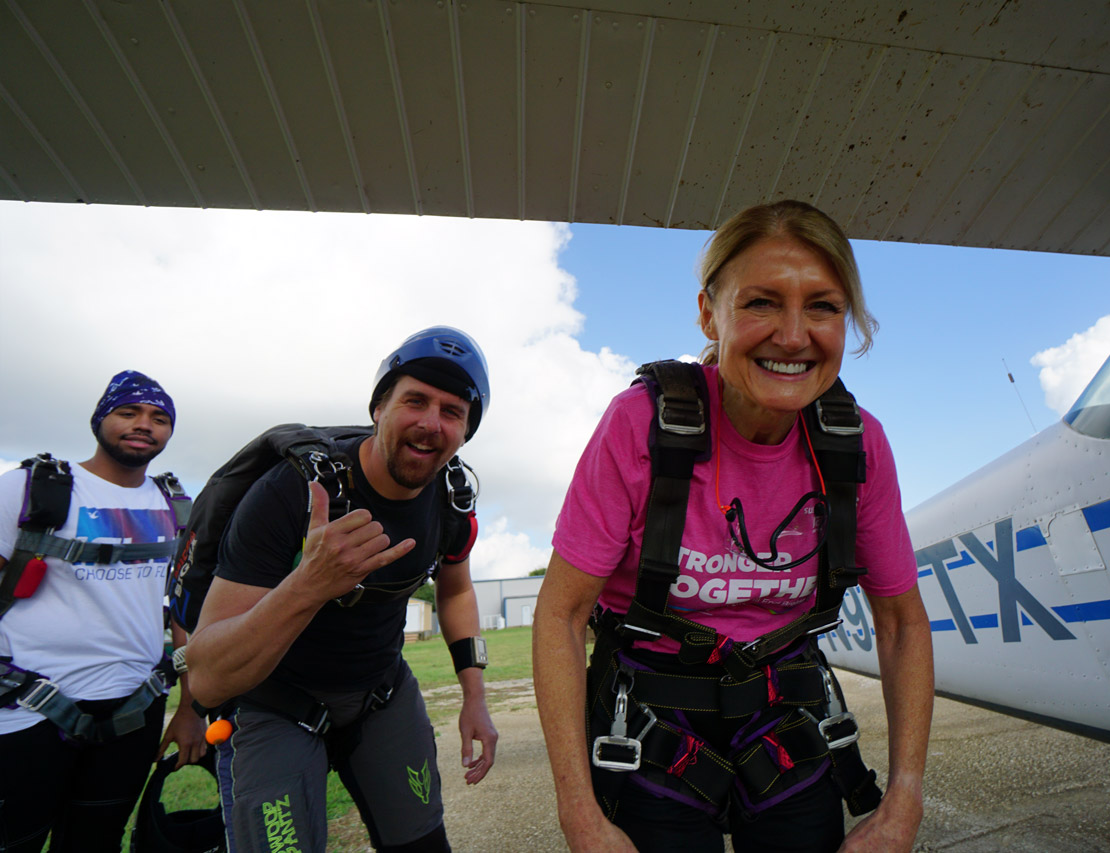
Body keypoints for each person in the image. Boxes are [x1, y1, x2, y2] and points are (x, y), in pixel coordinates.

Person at [533, 200, 934, 852]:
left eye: (823, 306)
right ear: (708, 314)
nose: (794, 335)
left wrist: (903, 801)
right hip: (654, 725)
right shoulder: (642, 426)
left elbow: (903, 623)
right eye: (762, 303)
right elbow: (559, 614)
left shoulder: (856, 447)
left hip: (783, 719)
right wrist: (580, 813)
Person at [185, 327, 499, 853]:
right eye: (415, 400)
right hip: (273, 703)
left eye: (452, 412)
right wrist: (310, 584)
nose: (430, 423)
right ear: (378, 407)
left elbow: (456, 591)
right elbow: (208, 681)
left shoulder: (451, 500)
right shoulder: (290, 493)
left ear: (465, 432)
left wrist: (475, 696)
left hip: (381, 694)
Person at [0, 370, 207, 852]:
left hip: (133, 711)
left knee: (96, 843)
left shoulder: (176, 505)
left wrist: (190, 710)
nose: (143, 425)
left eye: (159, 418)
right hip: (26, 710)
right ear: (100, 419)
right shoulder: (31, 489)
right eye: (128, 412)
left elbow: (185, 611)